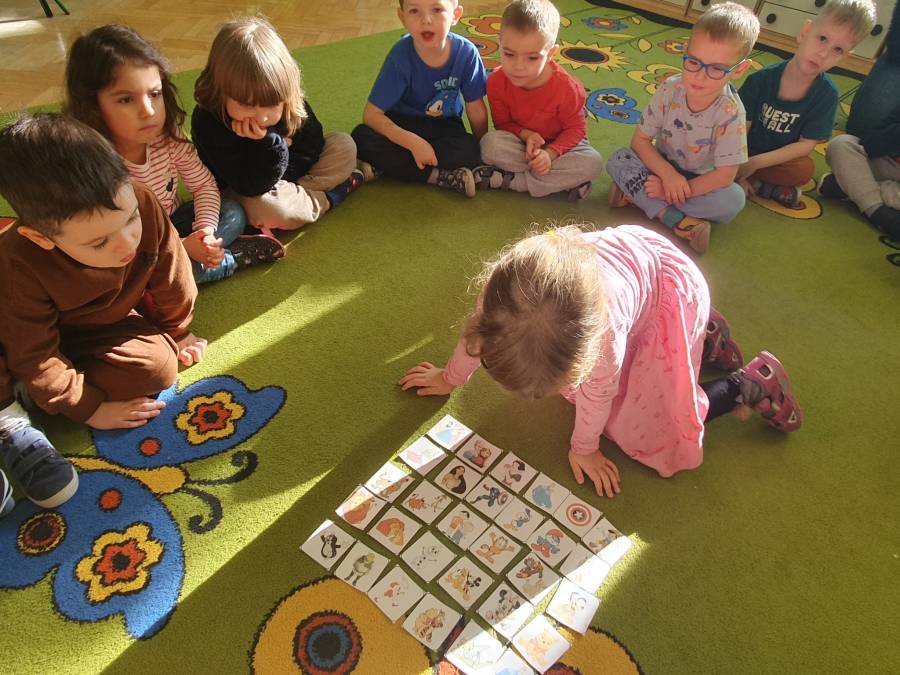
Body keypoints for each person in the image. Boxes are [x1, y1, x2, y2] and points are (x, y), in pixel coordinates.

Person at [399, 225, 802, 498]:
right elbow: (475, 339)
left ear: (585, 360)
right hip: (635, 268)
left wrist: (584, 448)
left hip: (670, 292)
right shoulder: (502, 293)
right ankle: (707, 335)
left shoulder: (604, 339)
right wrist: (450, 378)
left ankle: (747, 384)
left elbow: (597, 398)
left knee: (644, 426)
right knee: (631, 388)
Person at [0, 115, 204, 433]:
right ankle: (26, 390)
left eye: (130, 219)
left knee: (158, 369)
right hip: (24, 334)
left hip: (97, 328)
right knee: (23, 362)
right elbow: (33, 352)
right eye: (99, 242)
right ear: (40, 238)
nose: (128, 243)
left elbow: (174, 274)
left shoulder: (140, 199)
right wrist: (88, 407)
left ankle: (40, 385)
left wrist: (177, 329)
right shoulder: (17, 264)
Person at [65, 24, 284, 284]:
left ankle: (192, 263)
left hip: (171, 225)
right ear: (92, 105)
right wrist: (181, 247)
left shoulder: (169, 138)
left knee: (233, 212)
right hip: (128, 247)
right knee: (123, 277)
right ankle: (229, 259)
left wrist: (205, 232)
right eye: (125, 99)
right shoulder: (91, 163)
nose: (148, 111)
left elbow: (203, 186)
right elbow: (104, 241)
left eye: (154, 94)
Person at [606, 2, 759, 254]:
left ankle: (637, 196)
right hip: (659, 167)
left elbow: (724, 176)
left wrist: (671, 190)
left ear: (739, 70)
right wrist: (667, 176)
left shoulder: (731, 113)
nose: (700, 76)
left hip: (699, 182)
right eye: (694, 62)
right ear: (685, 49)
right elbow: (640, 141)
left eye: (716, 69)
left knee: (733, 200)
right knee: (618, 159)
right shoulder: (669, 89)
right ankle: (675, 220)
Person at [192, 16, 363, 233]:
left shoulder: (287, 98)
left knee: (344, 145)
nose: (262, 117)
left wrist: (286, 179)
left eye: (271, 104)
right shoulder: (208, 119)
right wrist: (270, 144)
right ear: (220, 92)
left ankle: (296, 202)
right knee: (269, 207)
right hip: (245, 188)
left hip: (291, 177)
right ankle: (331, 197)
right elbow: (248, 185)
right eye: (246, 105)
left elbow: (314, 144)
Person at [736, 0, 877, 207]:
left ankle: (756, 183)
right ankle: (760, 185)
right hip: (742, 148)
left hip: (776, 159)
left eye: (838, 49)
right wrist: (739, 166)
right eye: (822, 39)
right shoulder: (761, 79)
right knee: (715, 146)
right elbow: (739, 129)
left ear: (845, 57)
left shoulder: (827, 95)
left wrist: (756, 163)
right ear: (805, 32)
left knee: (803, 170)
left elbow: (805, 146)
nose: (824, 54)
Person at [351, 0, 488, 197]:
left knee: (470, 150)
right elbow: (372, 115)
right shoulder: (400, 55)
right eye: (415, 11)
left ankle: (389, 167)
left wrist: (482, 151)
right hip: (403, 123)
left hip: (444, 126)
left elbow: (475, 108)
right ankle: (439, 176)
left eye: (437, 9)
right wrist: (413, 143)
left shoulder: (466, 53)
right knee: (361, 138)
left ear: (456, 15)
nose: (426, 20)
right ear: (402, 17)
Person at [477, 0, 603, 200]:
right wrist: (527, 135)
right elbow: (502, 124)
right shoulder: (496, 81)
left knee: (593, 163)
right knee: (489, 145)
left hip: (562, 147)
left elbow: (576, 130)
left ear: (551, 53)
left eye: (532, 58)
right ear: (499, 43)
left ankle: (513, 181)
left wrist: (550, 154)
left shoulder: (567, 88)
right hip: (522, 145)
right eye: (509, 54)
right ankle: (561, 183)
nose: (518, 66)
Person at [819, 1, 900, 239]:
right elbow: (871, 144)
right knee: (841, 145)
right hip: (887, 160)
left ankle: (853, 188)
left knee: (852, 171)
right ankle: (878, 211)